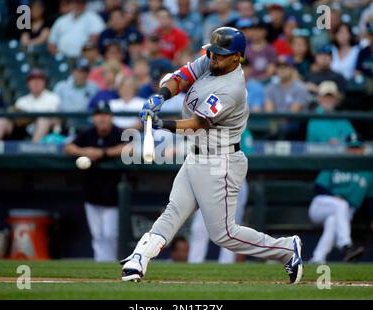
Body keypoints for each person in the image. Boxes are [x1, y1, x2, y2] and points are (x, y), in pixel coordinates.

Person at [121, 27, 303, 284]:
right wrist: (160, 97)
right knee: (173, 211)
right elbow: (182, 76)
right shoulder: (211, 62)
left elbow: (198, 123)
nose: (213, 57)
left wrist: (162, 125)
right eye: (213, 51)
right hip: (196, 155)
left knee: (224, 234)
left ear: (237, 57)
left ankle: (286, 249)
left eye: (220, 53)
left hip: (221, 161)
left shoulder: (232, 88)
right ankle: (139, 258)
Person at [64, 101, 128, 262]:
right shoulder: (88, 134)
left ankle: (112, 263)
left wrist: (103, 152)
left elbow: (129, 147)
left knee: (110, 234)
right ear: (94, 118)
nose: (102, 119)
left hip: (112, 194)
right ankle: (101, 264)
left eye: (105, 115)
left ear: (111, 117)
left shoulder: (118, 133)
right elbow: (68, 147)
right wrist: (84, 151)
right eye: (99, 115)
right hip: (91, 192)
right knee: (97, 235)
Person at [188, 128, 254, 264]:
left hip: (234, 180)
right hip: (210, 180)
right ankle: (194, 265)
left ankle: (227, 265)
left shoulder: (241, 130)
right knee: (200, 227)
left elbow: (243, 157)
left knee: (230, 229)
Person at [308, 168, 373, 264]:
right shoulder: (337, 164)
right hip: (323, 204)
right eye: (351, 150)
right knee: (341, 205)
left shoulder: (368, 173)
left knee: (332, 221)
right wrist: (333, 195)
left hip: (346, 212)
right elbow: (319, 186)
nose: (354, 151)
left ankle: (317, 258)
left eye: (356, 150)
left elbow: (370, 199)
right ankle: (346, 245)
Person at [0, 69, 60, 142]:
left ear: (44, 83)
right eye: (33, 80)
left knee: (43, 120)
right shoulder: (22, 101)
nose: (36, 82)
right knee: (2, 120)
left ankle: (34, 151)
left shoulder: (53, 98)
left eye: (39, 80)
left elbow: (56, 121)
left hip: (46, 131)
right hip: (23, 129)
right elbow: (17, 121)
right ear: (28, 83)